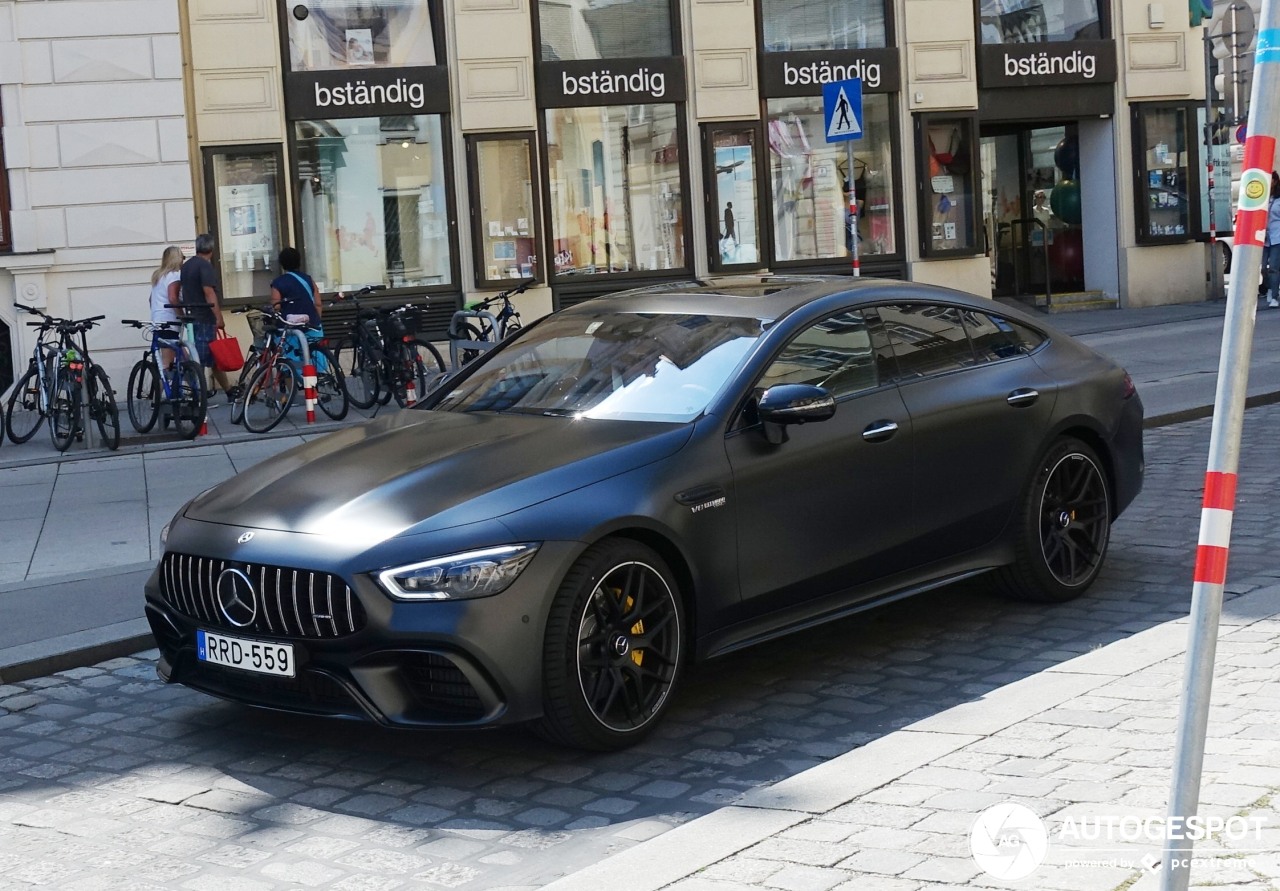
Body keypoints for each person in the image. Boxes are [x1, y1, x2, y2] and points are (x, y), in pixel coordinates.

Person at [179, 233, 234, 401]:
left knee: (214, 356)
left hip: (192, 317)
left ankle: (229, 390)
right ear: (211, 248)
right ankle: (198, 396)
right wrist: (218, 317)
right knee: (201, 359)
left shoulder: (187, 266)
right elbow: (209, 292)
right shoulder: (205, 266)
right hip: (204, 317)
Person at [148, 245, 183, 368]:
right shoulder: (174, 275)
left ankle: (194, 385)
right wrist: (182, 316)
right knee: (166, 363)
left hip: (158, 321)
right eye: (182, 257)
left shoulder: (158, 276)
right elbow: (173, 298)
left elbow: (151, 299)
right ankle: (165, 387)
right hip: (170, 323)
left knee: (182, 357)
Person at [270, 246, 322, 329]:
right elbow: (318, 304)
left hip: (289, 329)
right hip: (311, 327)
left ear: (282, 263)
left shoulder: (278, 283)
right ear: (299, 261)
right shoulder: (309, 279)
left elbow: (276, 307)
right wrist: (316, 321)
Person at [1266, 173, 1280, 309]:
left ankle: (1274, 297)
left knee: (1274, 268)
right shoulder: (1263, 197)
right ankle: (1270, 288)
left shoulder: (1278, 199)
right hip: (1264, 237)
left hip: (1277, 236)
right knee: (1263, 267)